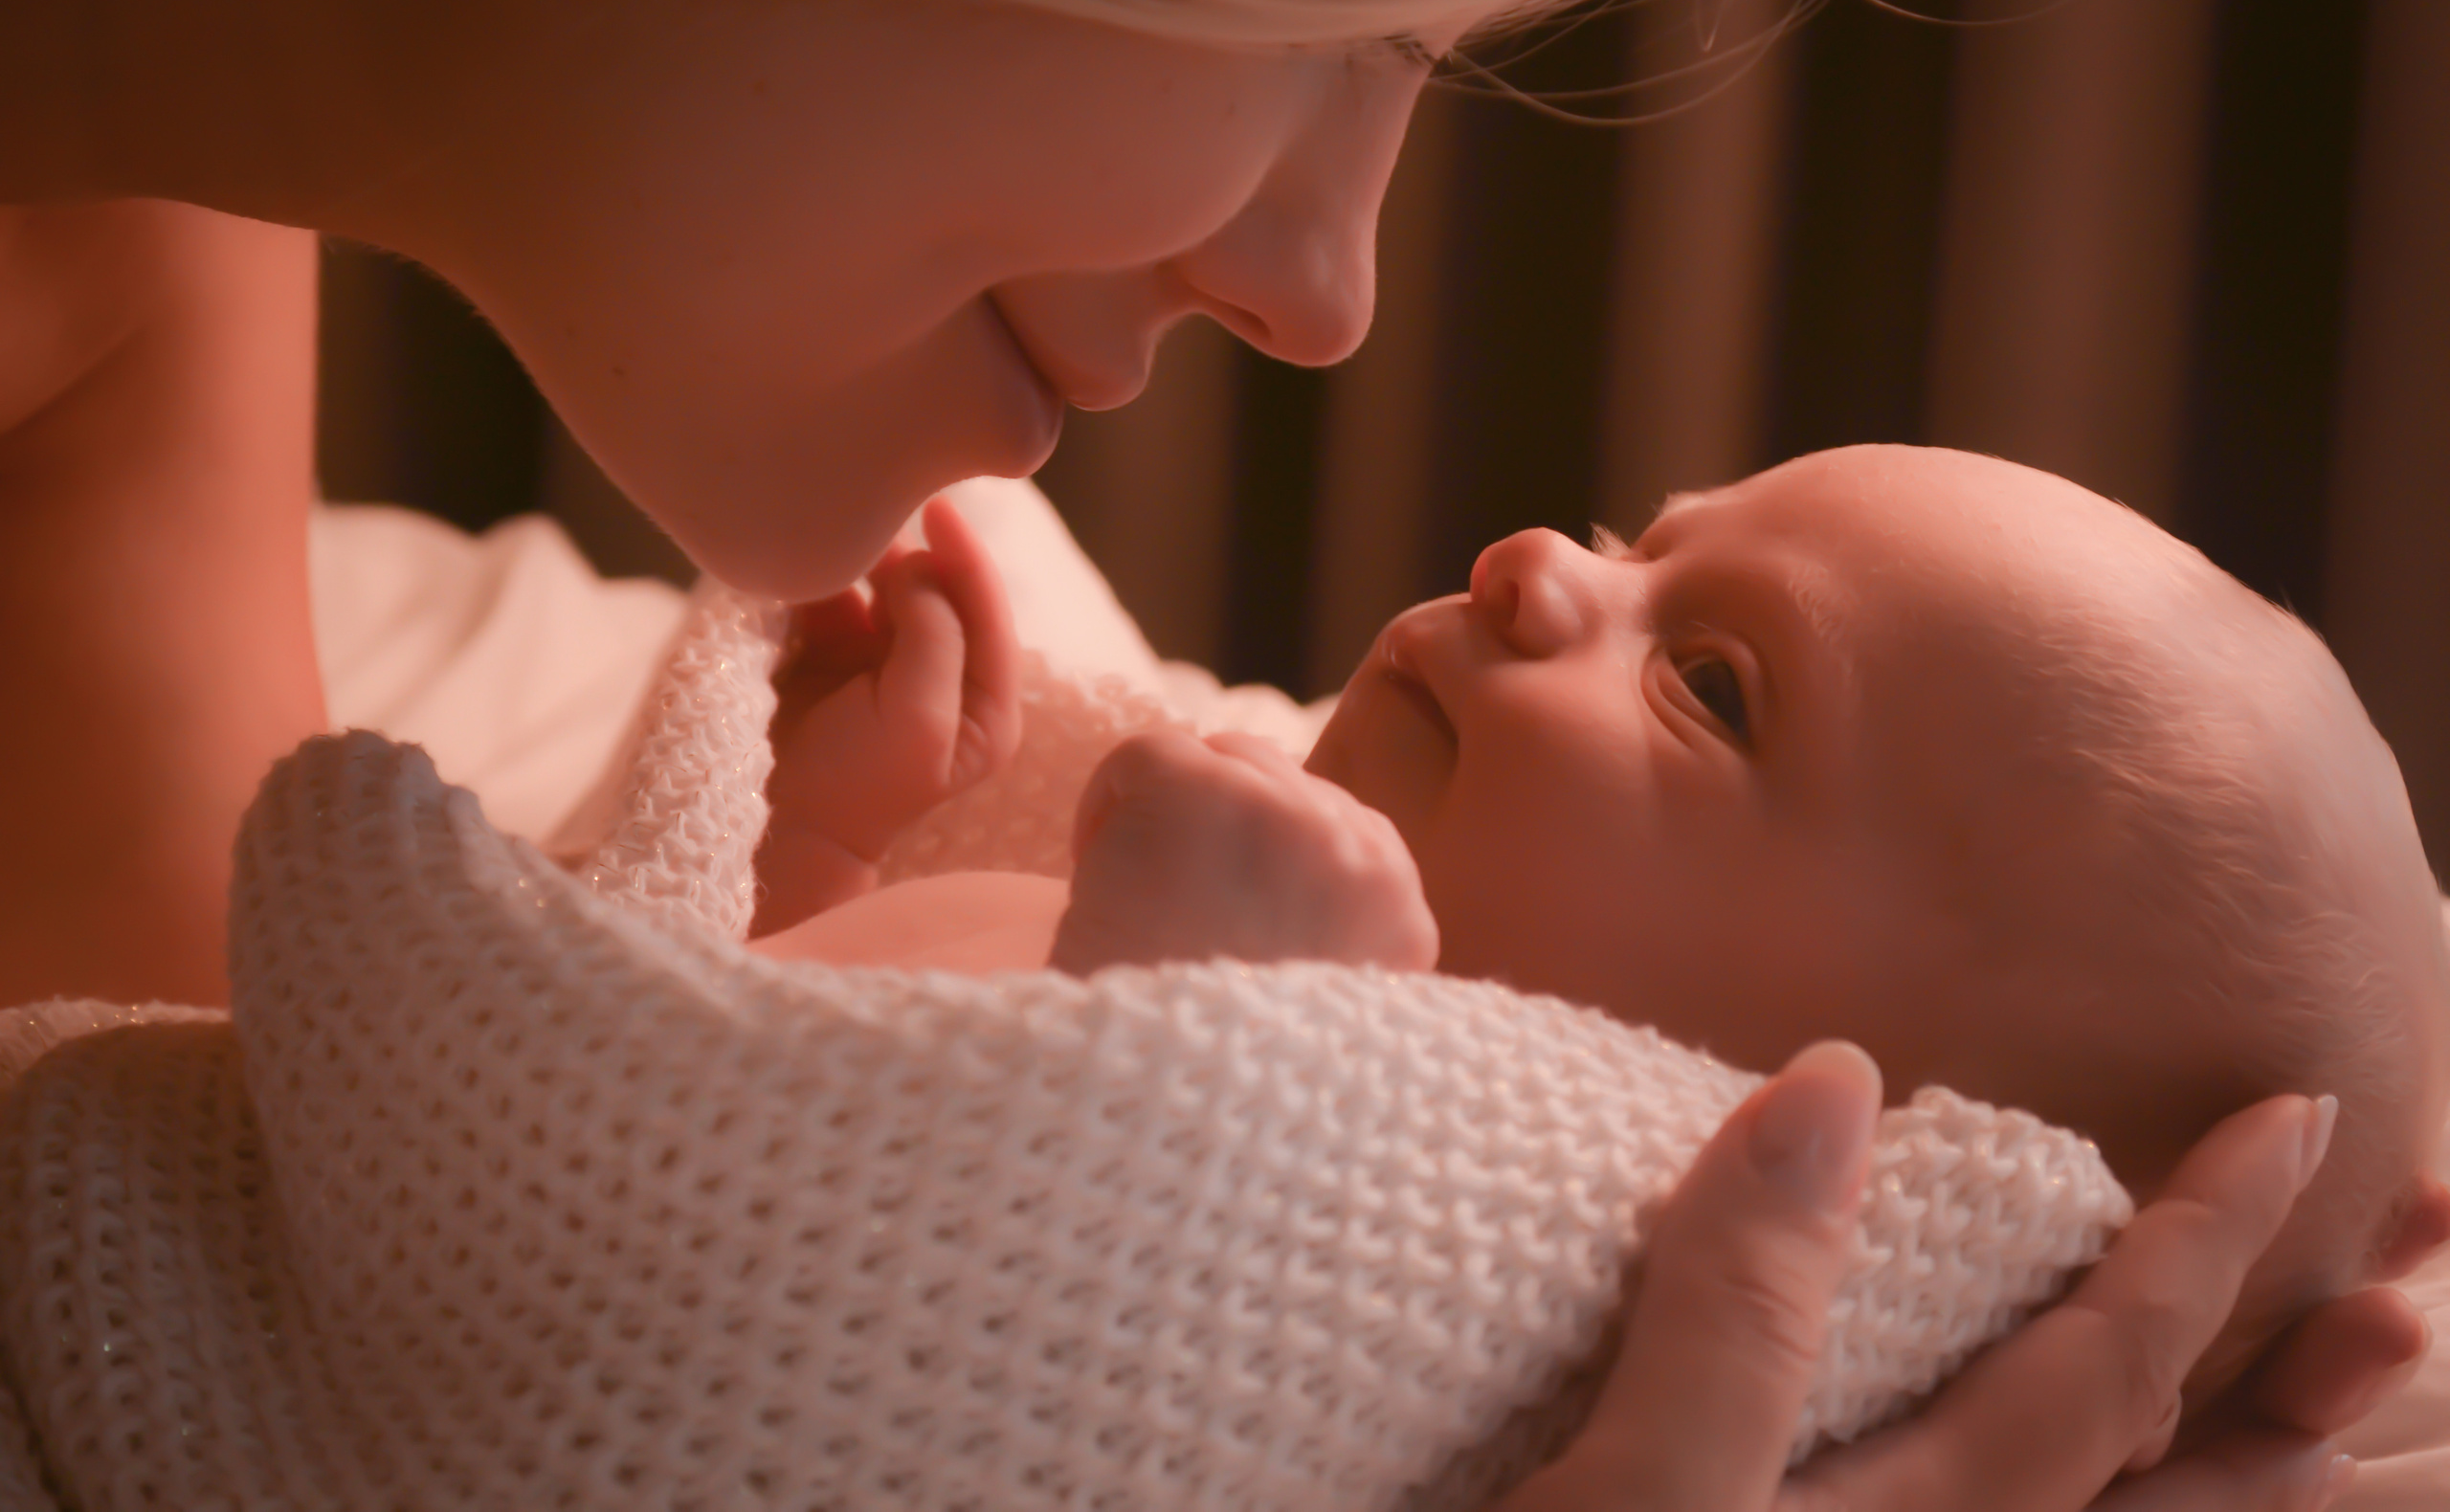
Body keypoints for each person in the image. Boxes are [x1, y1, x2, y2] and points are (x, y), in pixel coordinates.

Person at [0, 0, 2424, 1503]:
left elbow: (265, 1230)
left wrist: (789, 870)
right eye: (1339, 16)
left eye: (1709, 677)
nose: (1327, 292)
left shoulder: (137, 256)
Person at [752, 445, 2450, 1434]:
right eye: (1644, 548)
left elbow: (913, 1392)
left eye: (1708, 684)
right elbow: (702, 1119)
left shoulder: (1406, 1317)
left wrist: (1190, 1056)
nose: (1532, 562)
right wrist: (808, 843)